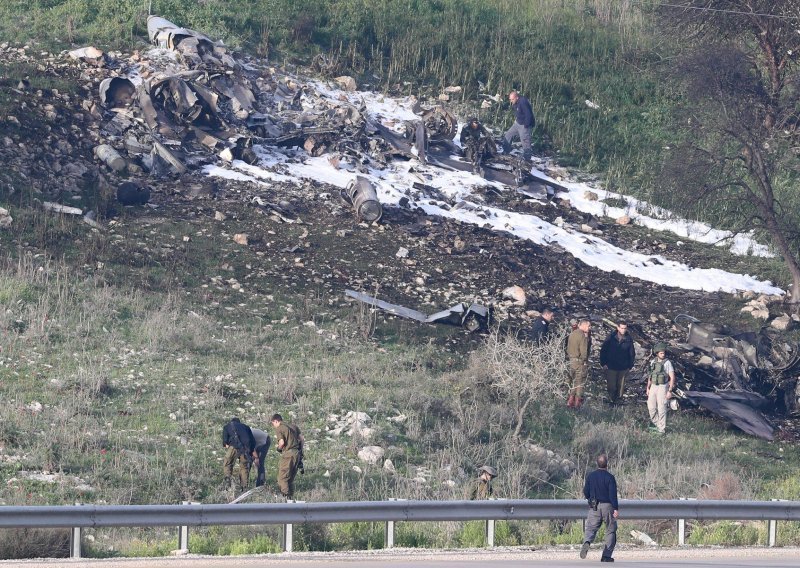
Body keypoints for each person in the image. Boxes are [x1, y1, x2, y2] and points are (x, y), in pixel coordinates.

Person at [581, 453, 619, 563]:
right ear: (607, 464)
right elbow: (613, 494)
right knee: (611, 530)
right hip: (608, 506)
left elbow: (585, 491)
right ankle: (606, 556)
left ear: (597, 463)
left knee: (591, 529)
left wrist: (590, 499)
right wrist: (615, 509)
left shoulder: (591, 476)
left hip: (594, 506)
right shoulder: (610, 477)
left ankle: (587, 542)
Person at [599, 321, 636, 404]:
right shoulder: (611, 337)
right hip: (611, 366)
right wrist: (603, 363)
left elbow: (632, 353)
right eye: (622, 328)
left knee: (620, 387)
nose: (623, 330)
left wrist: (630, 366)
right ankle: (611, 400)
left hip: (623, 367)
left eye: (625, 328)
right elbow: (603, 350)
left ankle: (618, 402)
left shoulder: (629, 339)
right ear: (618, 328)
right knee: (611, 386)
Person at [271, 413, 303, 499]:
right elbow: (302, 439)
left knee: (282, 478)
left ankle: (286, 498)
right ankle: (291, 499)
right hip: (297, 454)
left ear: (276, 421)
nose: (273, 426)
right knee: (290, 479)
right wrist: (301, 451)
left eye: (273, 423)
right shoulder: (293, 426)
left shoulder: (280, 428)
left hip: (288, 454)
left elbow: (282, 443)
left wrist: (278, 449)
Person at [646, 342, 676, 435]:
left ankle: (661, 429)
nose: (663, 354)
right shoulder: (653, 362)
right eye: (661, 353)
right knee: (651, 407)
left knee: (661, 408)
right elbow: (651, 376)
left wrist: (670, 391)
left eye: (664, 353)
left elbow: (672, 377)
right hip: (654, 386)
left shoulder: (667, 363)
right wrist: (648, 387)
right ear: (657, 353)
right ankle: (657, 424)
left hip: (663, 387)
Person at [222, 417, 257, 492]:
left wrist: (227, 445)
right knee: (244, 467)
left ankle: (227, 485)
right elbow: (253, 441)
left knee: (227, 463)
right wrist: (251, 452)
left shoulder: (227, 426)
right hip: (246, 449)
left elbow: (225, 442)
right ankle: (244, 488)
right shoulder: (246, 427)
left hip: (233, 447)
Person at [501, 90, 535, 160]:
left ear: (517, 97)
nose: (511, 101)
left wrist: (526, 126)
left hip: (524, 125)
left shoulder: (523, 102)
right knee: (508, 135)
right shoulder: (515, 102)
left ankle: (527, 159)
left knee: (525, 141)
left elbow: (528, 114)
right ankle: (506, 151)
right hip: (517, 123)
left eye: (512, 99)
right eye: (510, 99)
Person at [566, 319, 592, 408]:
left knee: (572, 381)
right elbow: (584, 352)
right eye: (588, 326)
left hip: (571, 361)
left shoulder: (572, 334)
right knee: (580, 383)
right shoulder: (583, 336)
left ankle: (570, 401)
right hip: (579, 362)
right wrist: (584, 361)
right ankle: (577, 403)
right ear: (583, 325)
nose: (589, 328)